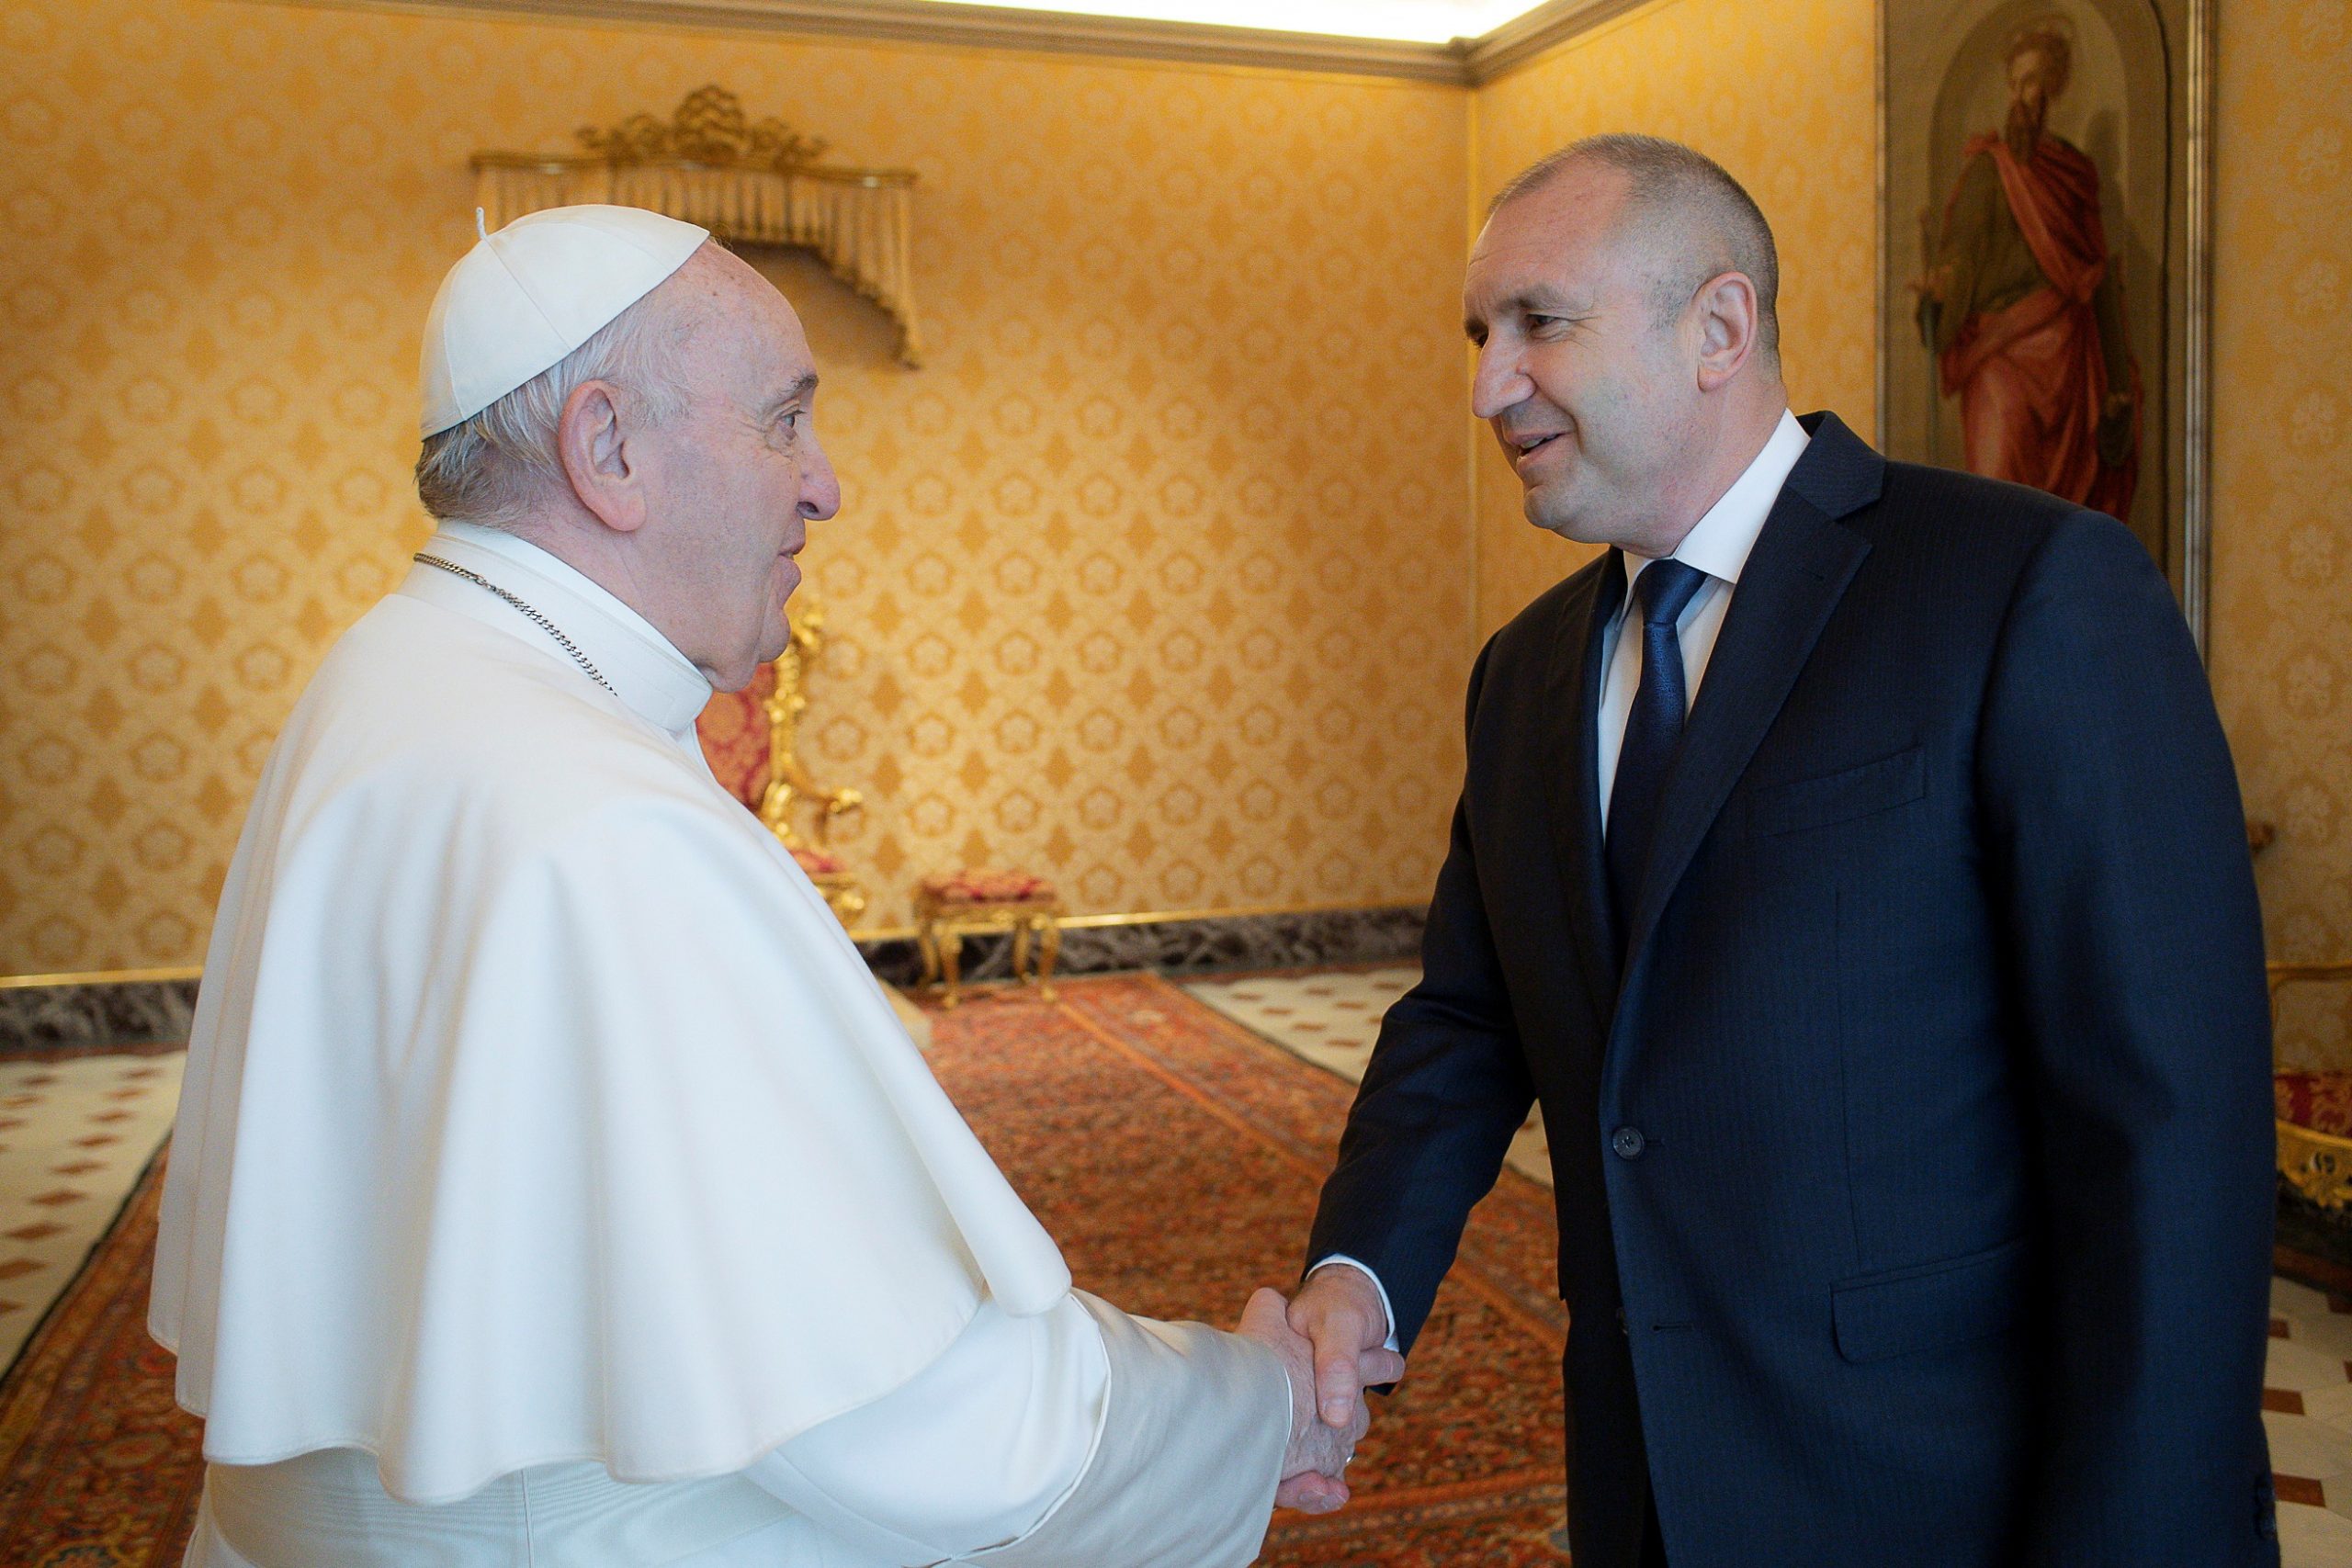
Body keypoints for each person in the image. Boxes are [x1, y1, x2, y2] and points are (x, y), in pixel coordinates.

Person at [150, 204, 1396, 1567]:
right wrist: (1256, 1398)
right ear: (609, 449)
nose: (827, 485)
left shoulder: (393, 670)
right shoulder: (603, 822)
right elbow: (931, 1425)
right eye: (784, 420)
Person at [1283, 136, 2277, 1567]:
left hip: (1950, 1492)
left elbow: (2167, 1129)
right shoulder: (1527, 671)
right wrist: (1355, 1280)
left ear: (1721, 327)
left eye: (1540, 324)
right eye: (1479, 334)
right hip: (1648, 1477)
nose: (1490, 384)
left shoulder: (2021, 588)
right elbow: (1468, 1017)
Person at [1915, 22, 2143, 532]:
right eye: (2016, 81)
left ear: (2055, 86)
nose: (2023, 94)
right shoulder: (1985, 173)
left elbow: (2097, 274)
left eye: (2035, 80)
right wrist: (1937, 300)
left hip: (2067, 358)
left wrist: (2118, 382)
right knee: (1995, 506)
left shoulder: (2076, 172)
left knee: (2065, 525)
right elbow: (1957, 268)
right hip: (1999, 364)